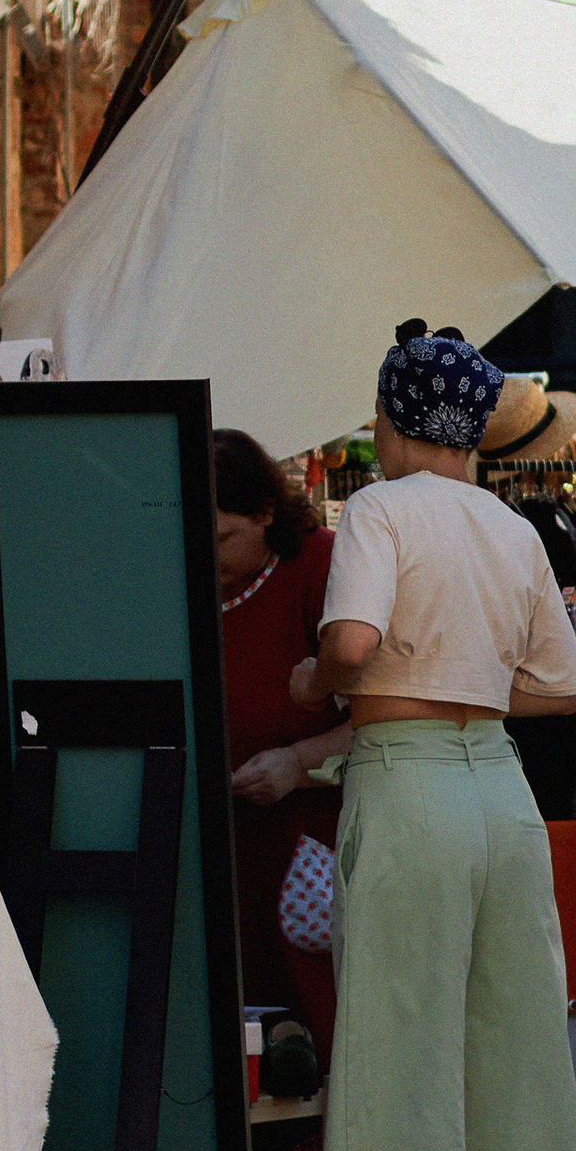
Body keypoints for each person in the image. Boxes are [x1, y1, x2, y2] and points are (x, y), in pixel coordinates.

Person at [295, 322, 576, 1151]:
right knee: (511, 1054)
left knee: (397, 1055)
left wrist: (323, 683)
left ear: (392, 420)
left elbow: (348, 647)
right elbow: (561, 687)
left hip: (409, 785)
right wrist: (469, 680)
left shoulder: (378, 509)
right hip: (499, 792)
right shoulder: (511, 528)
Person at [213, 429, 346, 1057]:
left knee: (311, 1036)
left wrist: (297, 763)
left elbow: (381, 714)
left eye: (220, 539)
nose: (205, 555)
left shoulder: (318, 567)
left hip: (306, 849)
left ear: (266, 513)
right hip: (220, 856)